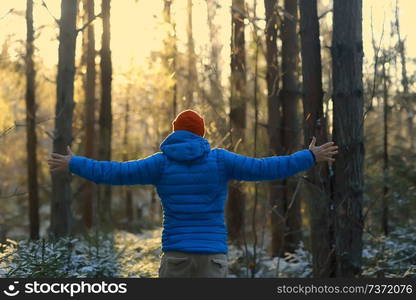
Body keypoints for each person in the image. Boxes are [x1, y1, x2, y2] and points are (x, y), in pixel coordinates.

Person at [47, 109, 338, 278]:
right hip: (213, 257)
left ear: (175, 132)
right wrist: (309, 157)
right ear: (201, 134)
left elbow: (114, 172)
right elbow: (265, 168)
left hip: (176, 257)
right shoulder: (220, 160)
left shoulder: (160, 163)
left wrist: (75, 163)